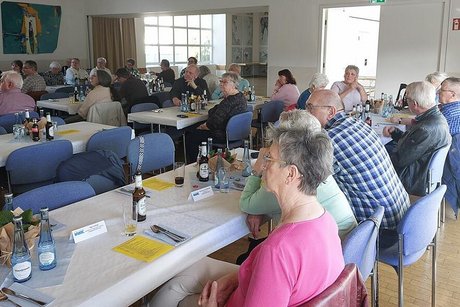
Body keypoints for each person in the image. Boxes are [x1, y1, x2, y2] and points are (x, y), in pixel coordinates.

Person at [151, 119, 344, 307]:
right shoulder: (325, 220)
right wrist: (237, 278)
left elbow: (278, 265)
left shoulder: (278, 251)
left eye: (269, 159)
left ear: (291, 174)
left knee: (172, 294)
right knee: (184, 275)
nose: (263, 164)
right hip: (256, 286)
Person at [240, 110, 357, 243]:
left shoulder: (288, 177)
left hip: (328, 246)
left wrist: (257, 169)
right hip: (342, 243)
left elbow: (248, 204)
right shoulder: (314, 164)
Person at [307, 89, 410, 229]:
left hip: (378, 225)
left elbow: (305, 176)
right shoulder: (358, 123)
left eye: (310, 107)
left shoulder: (329, 139)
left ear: (330, 112)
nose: (306, 112)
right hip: (401, 213)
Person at [383, 81, 451, 196]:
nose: (406, 102)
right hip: (420, 169)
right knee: (386, 148)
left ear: (414, 103)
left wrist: (376, 155)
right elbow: (413, 143)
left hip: (413, 178)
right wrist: (395, 133)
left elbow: (400, 160)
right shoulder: (435, 117)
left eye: (407, 100)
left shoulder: (426, 128)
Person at [185, 72, 245, 162]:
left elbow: (213, 123)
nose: (221, 84)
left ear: (234, 85)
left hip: (221, 135)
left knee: (190, 134)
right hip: (235, 134)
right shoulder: (241, 97)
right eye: (221, 81)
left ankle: (196, 163)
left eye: (225, 82)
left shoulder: (228, 102)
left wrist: (204, 126)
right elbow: (216, 111)